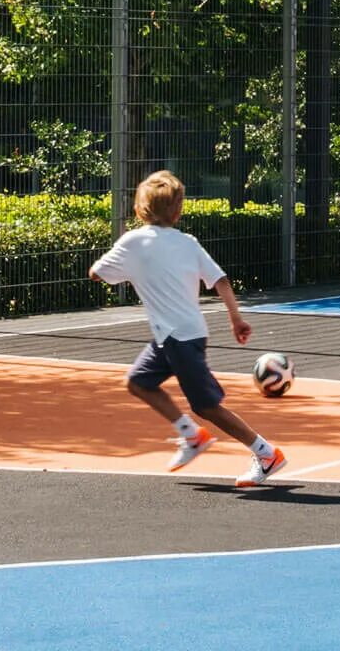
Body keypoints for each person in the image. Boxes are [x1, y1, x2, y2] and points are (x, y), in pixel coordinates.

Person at [88, 170, 288, 488]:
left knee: (206, 406)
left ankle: (266, 453)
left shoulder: (134, 241)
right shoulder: (187, 242)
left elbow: (96, 273)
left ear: (141, 208)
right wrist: (236, 319)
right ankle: (191, 435)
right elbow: (220, 280)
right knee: (139, 382)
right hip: (177, 335)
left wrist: (129, 262)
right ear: (177, 212)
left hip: (178, 338)